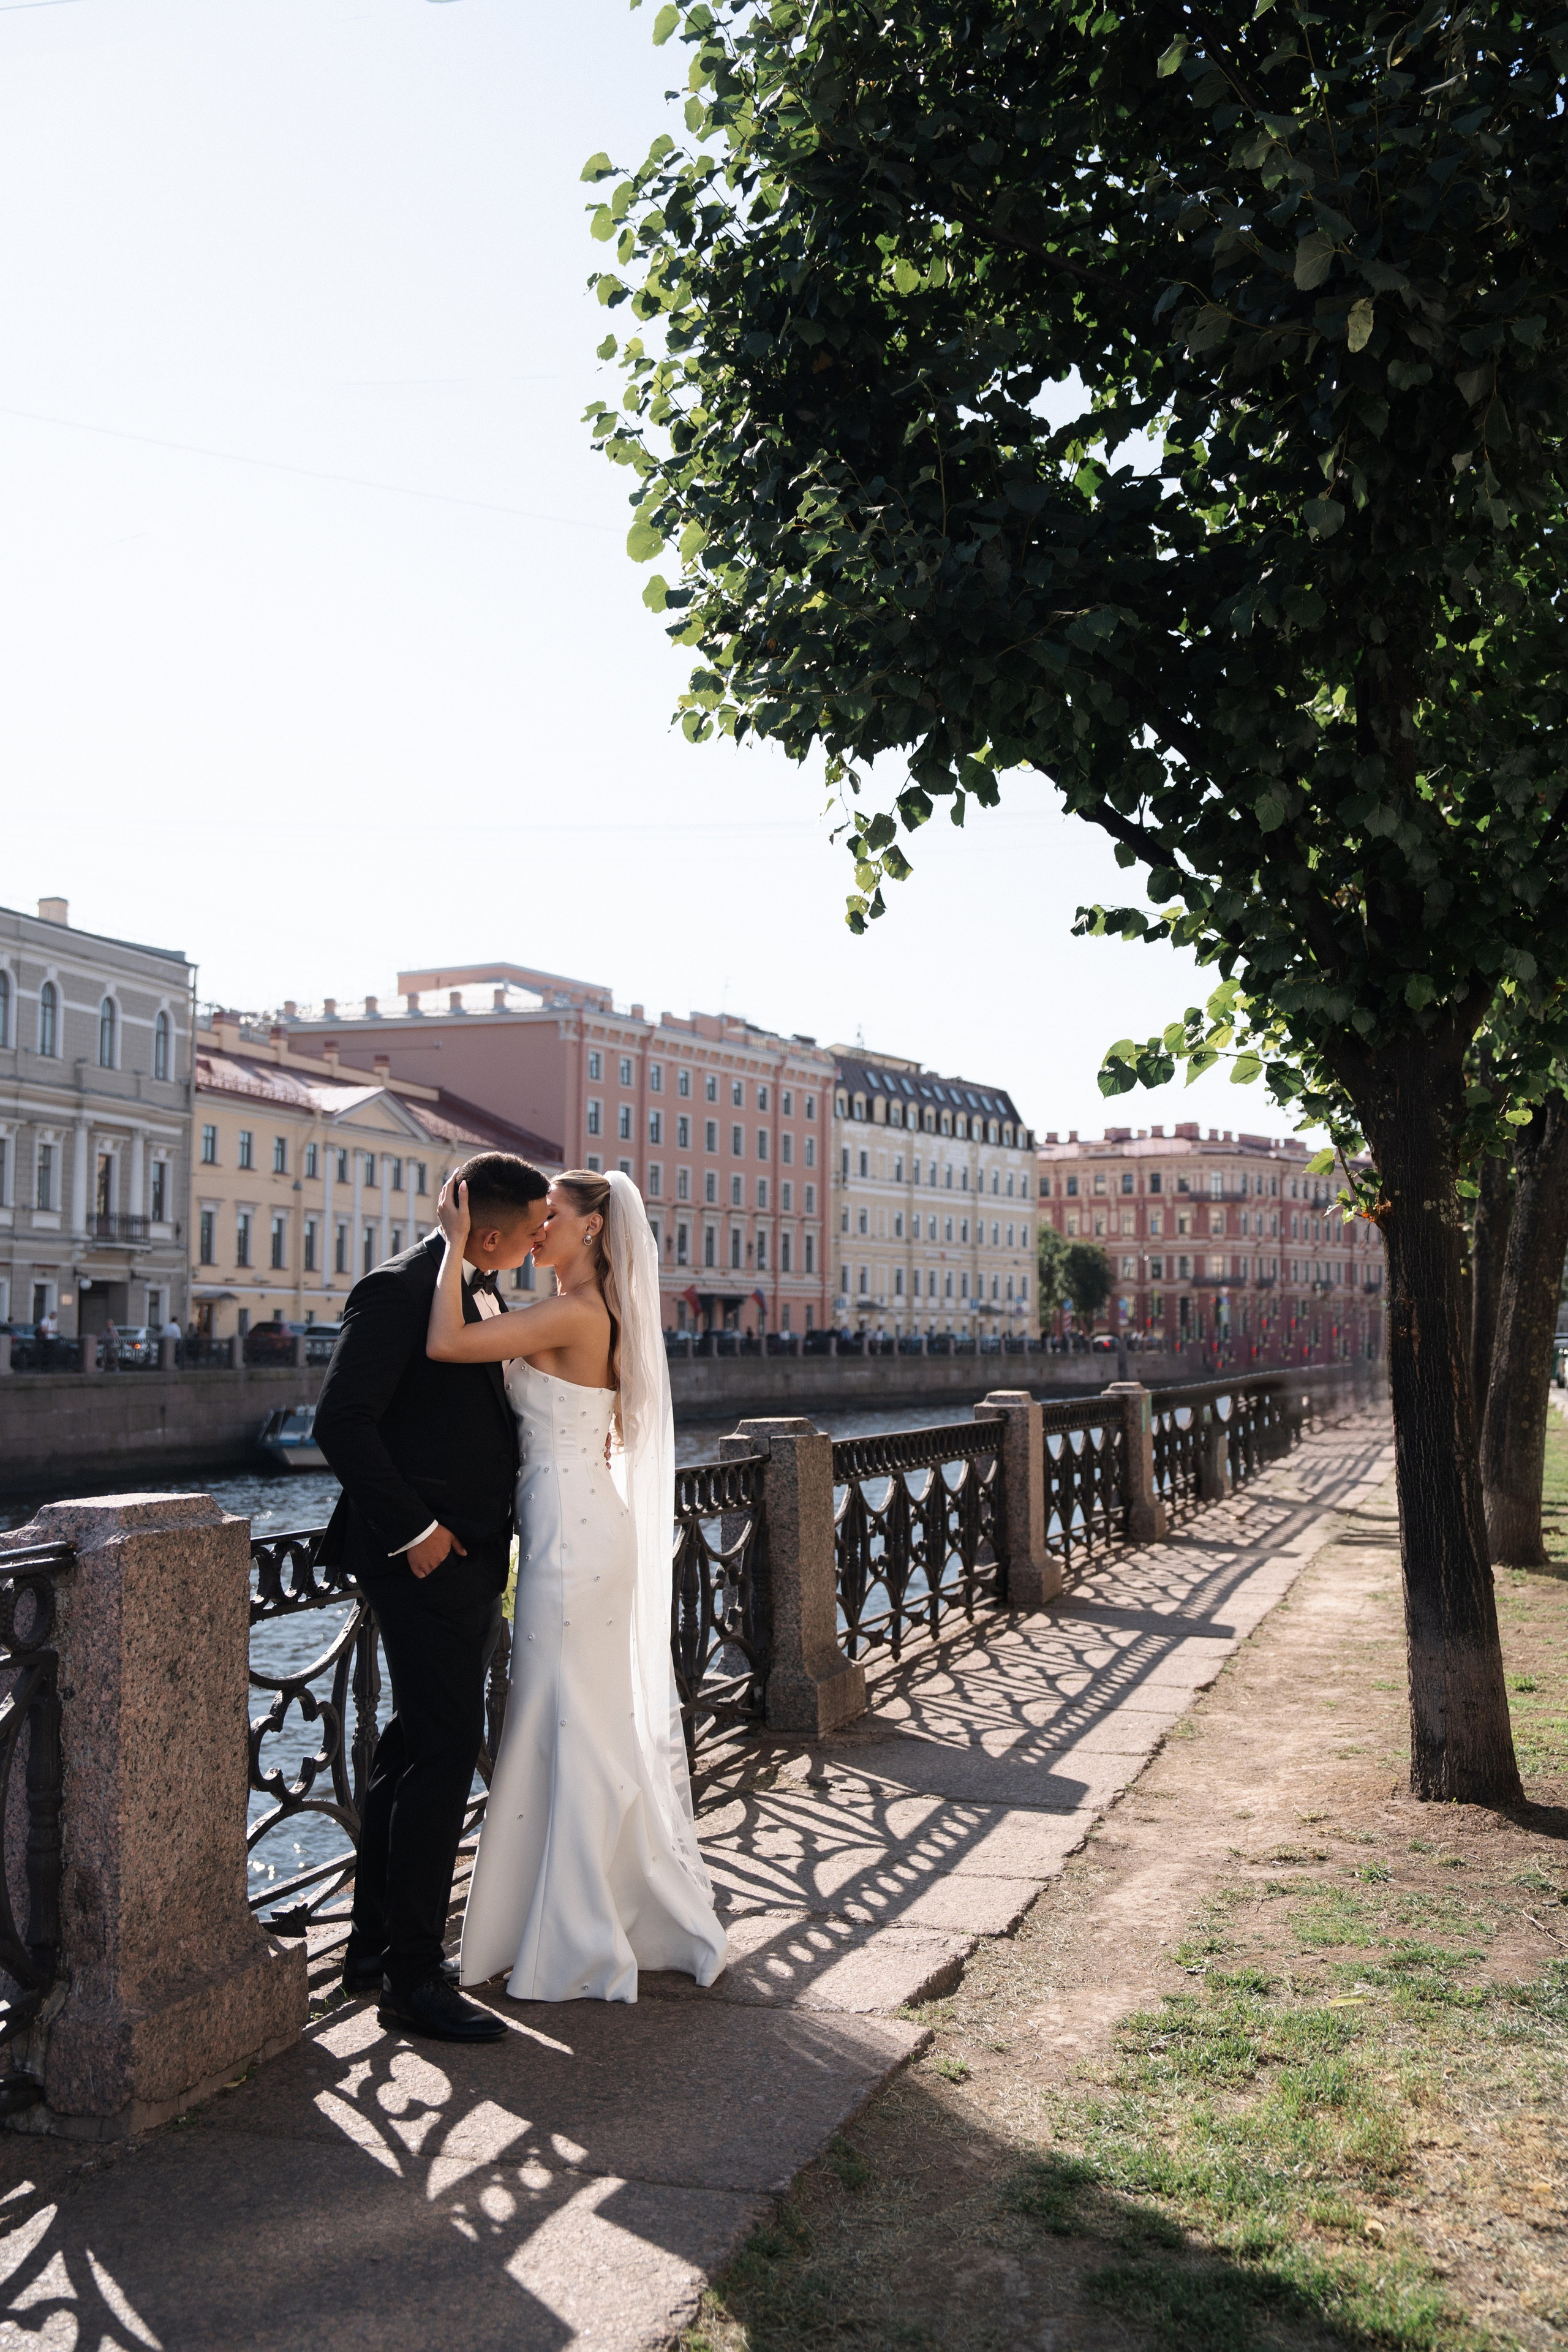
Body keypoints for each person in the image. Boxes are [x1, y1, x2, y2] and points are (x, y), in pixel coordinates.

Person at [427, 1167, 727, 2005]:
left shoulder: (571, 1310)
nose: (536, 1229)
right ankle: (576, 1913)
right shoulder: (588, 1309)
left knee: (565, 1720)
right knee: (569, 1718)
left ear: (593, 1229)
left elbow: (449, 1344)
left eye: (550, 1217)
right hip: (579, 1524)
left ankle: (577, 1929)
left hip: (569, 1537)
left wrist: (455, 1245)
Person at [314, 1152, 550, 2043]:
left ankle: (374, 1948)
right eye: (529, 1232)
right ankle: (413, 1977)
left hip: (467, 1557)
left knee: (413, 1747)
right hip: (423, 1561)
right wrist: (420, 1536)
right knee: (447, 1752)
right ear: (489, 1233)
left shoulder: (472, 1283)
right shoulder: (398, 1290)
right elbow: (341, 1422)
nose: (537, 1245)